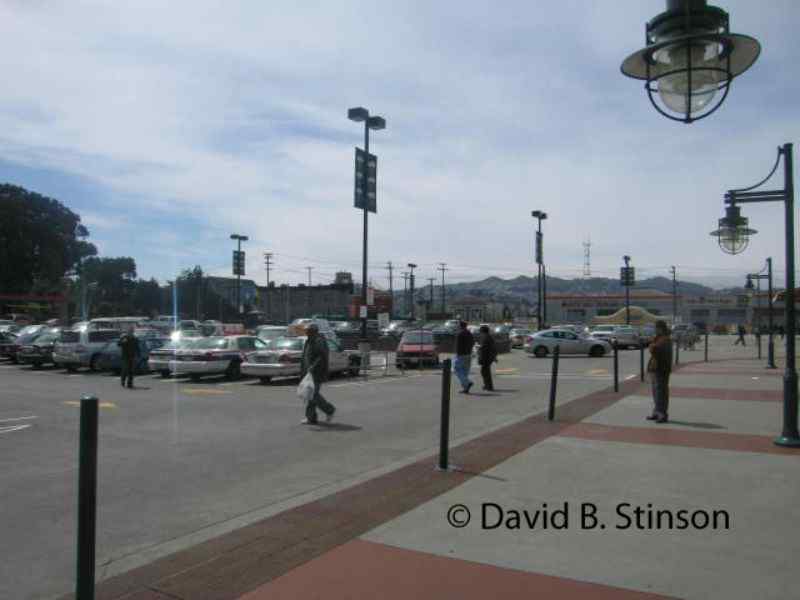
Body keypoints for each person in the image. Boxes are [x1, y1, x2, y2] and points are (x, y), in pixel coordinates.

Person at [300, 324, 335, 425]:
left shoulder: (319, 341)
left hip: (317, 372)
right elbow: (305, 356)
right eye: (306, 331)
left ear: (314, 332)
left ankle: (329, 410)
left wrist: (313, 366)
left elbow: (321, 356)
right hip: (308, 372)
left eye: (308, 331)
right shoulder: (309, 340)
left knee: (313, 395)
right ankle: (311, 417)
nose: (306, 332)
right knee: (309, 395)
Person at [646, 320, 672, 423]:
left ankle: (662, 414)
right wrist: (653, 343)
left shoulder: (665, 339)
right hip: (655, 368)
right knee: (656, 391)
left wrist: (651, 345)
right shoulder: (659, 338)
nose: (655, 330)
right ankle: (656, 412)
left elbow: (655, 350)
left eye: (656, 328)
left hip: (661, 369)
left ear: (660, 328)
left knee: (661, 392)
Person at [454, 321, 475, 393]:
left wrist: (457, 353)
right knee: (465, 372)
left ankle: (468, 382)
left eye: (458, 325)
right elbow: (473, 343)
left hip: (461, 355)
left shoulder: (460, 334)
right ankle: (466, 388)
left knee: (457, 369)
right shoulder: (470, 333)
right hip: (468, 354)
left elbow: (458, 345)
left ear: (460, 326)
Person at [477, 325, 498, 391]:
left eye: (480, 331)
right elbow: (493, 348)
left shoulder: (485, 337)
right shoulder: (488, 337)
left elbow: (484, 347)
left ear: (483, 331)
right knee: (485, 371)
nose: (480, 332)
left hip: (486, 357)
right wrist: (494, 357)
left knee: (485, 371)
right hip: (489, 357)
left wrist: (478, 347)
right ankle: (487, 385)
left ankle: (489, 386)